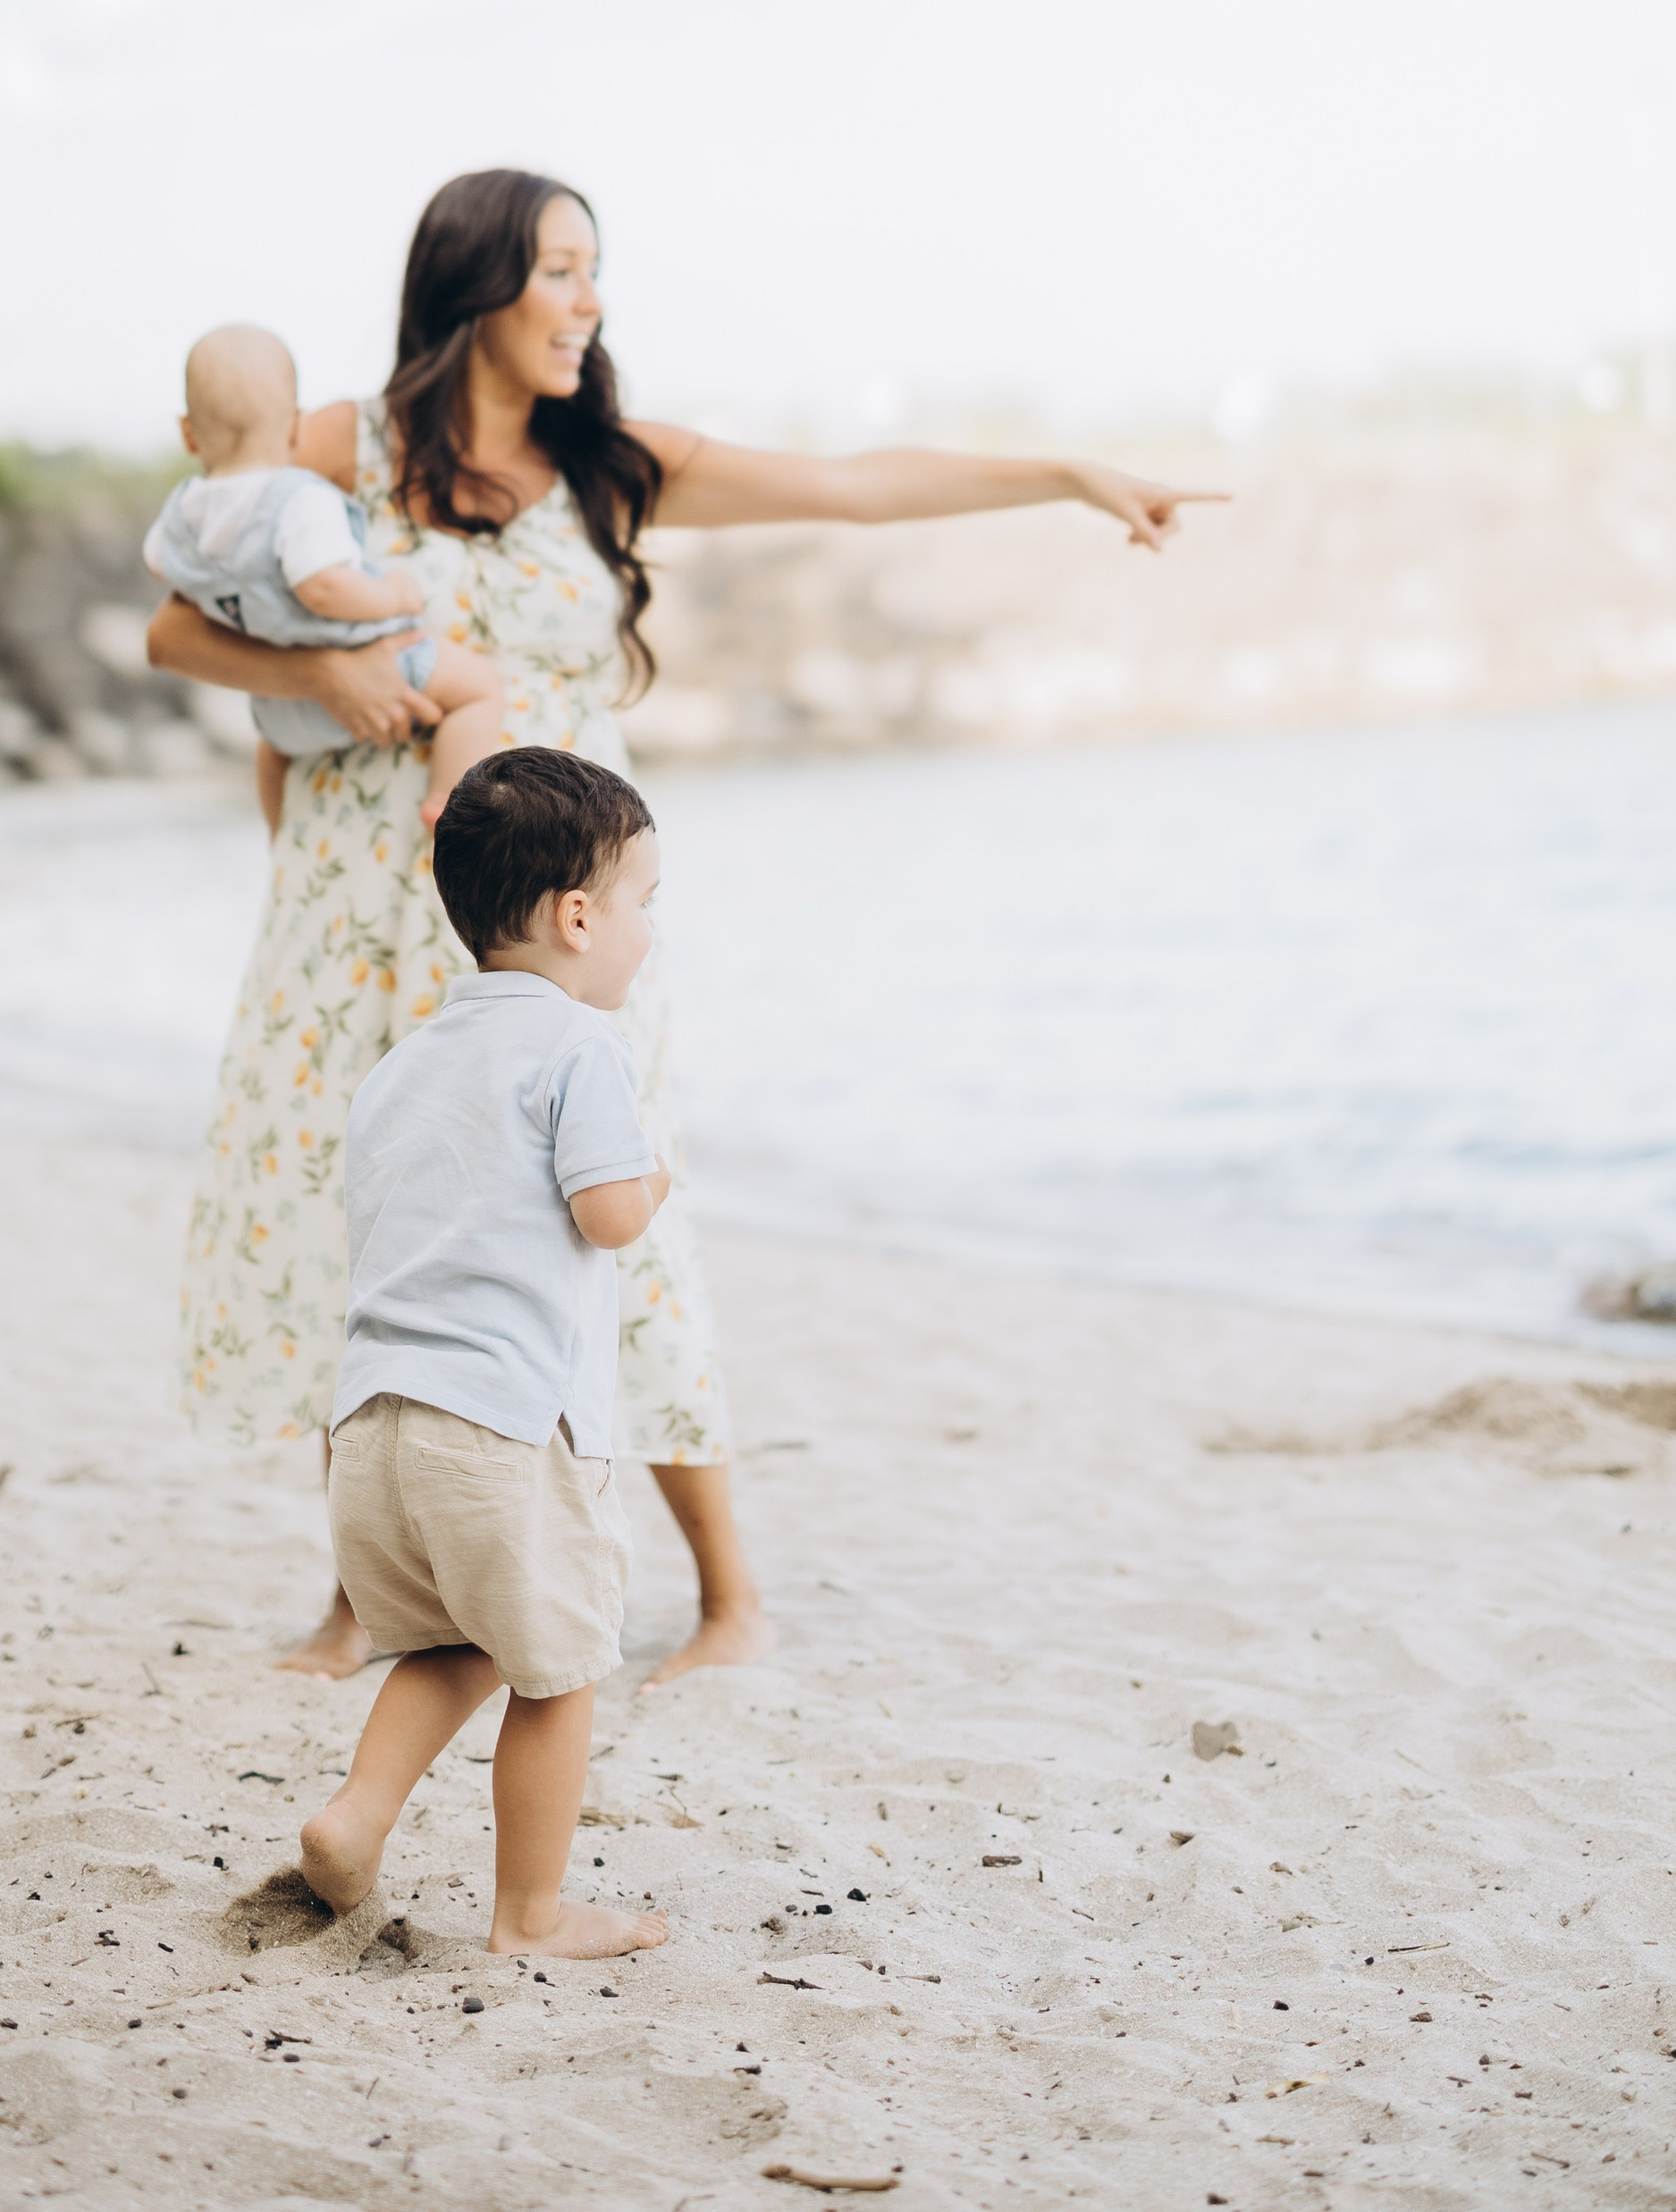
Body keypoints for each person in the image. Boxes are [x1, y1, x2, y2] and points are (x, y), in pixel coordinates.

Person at [147, 166, 1222, 1685]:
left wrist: (1063, 473)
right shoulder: (349, 452)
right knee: (378, 1215)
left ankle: (729, 1598)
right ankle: (368, 1595)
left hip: (568, 911)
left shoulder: (610, 463)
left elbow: (851, 482)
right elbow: (175, 619)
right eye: (564, 271)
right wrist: (322, 681)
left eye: (597, 272)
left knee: (613, 1210)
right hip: (352, 905)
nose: (591, 303)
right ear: (479, 288)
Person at [299, 746, 671, 1960]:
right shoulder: (579, 1047)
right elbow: (609, 1214)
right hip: (508, 1430)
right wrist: (655, 1173)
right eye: (641, 904)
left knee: (449, 1641)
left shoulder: (402, 1069)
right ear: (577, 916)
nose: (646, 934)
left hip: (373, 1426)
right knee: (559, 1671)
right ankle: (531, 1914)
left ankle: (357, 1816)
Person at [146, 324, 508, 835]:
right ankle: (445, 802)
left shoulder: (180, 515)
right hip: (377, 669)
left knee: (271, 757)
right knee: (479, 688)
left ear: (188, 433)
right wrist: (390, 595)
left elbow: (161, 564)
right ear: (297, 425)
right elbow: (324, 587)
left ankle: (281, 834)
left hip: (280, 710)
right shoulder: (300, 500)